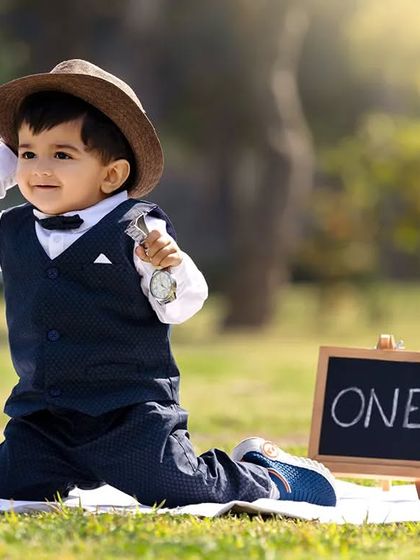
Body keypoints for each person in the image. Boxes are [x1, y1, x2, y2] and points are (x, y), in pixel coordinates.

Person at [0, 59, 337, 508]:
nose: (40, 168)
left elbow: (180, 304)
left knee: (177, 488)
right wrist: (9, 164)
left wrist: (167, 267)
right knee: (8, 483)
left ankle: (267, 474)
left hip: (128, 414)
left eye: (61, 155)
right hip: (43, 416)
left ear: (112, 174)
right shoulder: (14, 227)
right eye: (28, 153)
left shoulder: (138, 227)